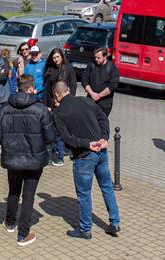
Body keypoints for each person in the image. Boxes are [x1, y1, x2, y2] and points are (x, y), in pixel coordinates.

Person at [52, 81, 120, 239]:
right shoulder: (87, 101)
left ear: (56, 95)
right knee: (107, 187)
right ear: (68, 90)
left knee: (84, 194)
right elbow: (104, 119)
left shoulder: (59, 113)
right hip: (101, 152)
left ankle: (85, 229)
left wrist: (86, 144)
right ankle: (115, 222)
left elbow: (67, 138)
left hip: (84, 156)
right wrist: (104, 138)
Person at [0, 74, 55, 247]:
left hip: (13, 157)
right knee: (28, 195)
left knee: (14, 191)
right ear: (31, 89)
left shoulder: (5, 109)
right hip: (34, 159)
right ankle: (23, 234)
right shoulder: (41, 109)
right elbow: (50, 137)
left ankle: (10, 221)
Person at [43, 48, 76, 166]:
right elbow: (46, 89)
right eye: (54, 58)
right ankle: (54, 153)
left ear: (62, 56)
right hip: (52, 103)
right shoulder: (50, 69)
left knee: (61, 130)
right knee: (52, 129)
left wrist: (68, 102)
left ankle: (62, 153)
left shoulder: (68, 69)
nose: (56, 60)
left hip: (63, 103)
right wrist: (46, 105)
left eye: (57, 57)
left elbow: (73, 87)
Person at [81, 48, 120, 116]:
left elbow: (113, 85)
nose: (96, 59)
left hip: (105, 103)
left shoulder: (111, 68)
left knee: (100, 123)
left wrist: (99, 95)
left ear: (105, 57)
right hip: (90, 99)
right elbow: (84, 80)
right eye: (95, 57)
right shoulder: (91, 65)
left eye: (98, 58)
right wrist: (92, 93)